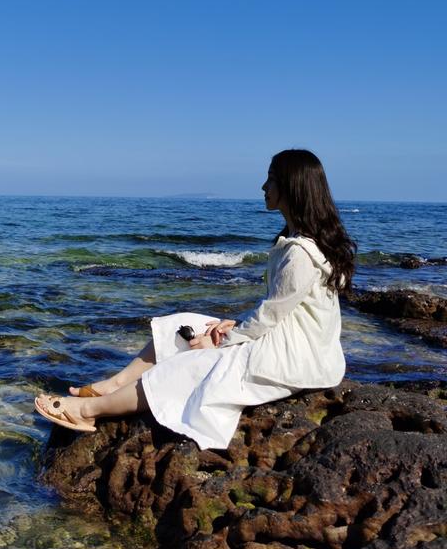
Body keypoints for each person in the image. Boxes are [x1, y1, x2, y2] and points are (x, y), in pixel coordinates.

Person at [35, 149, 356, 450]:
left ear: (291, 186)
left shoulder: (300, 253)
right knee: (183, 327)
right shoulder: (298, 242)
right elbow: (279, 307)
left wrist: (222, 341)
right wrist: (233, 325)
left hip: (296, 359)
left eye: (270, 178)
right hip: (287, 340)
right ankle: (113, 385)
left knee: (191, 364)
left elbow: (271, 315)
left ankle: (89, 410)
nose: (263, 185)